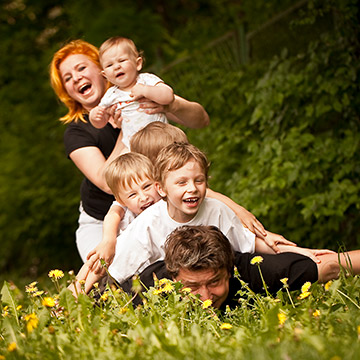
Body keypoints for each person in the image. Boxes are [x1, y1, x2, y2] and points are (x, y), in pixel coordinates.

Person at [50, 39, 210, 263]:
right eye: (68, 78)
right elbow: (107, 183)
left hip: (154, 199)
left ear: (101, 69)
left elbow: (201, 119)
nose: (76, 78)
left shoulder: (138, 92)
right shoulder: (77, 131)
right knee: (109, 275)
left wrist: (169, 106)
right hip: (104, 215)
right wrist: (126, 132)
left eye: (81, 68)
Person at [106, 142, 304, 284]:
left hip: (216, 279)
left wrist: (305, 253)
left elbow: (251, 244)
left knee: (245, 262)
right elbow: (113, 269)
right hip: (166, 285)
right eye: (182, 182)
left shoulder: (216, 210)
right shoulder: (148, 223)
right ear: (162, 189)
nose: (192, 188)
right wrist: (78, 291)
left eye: (198, 181)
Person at [121, 225, 360, 309]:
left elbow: (330, 265)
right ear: (173, 278)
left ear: (230, 270)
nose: (205, 297)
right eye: (192, 286)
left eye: (214, 282)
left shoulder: (251, 271)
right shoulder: (146, 288)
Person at [68, 152, 161, 295]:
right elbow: (112, 216)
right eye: (132, 194)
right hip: (127, 273)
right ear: (121, 200)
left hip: (154, 270)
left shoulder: (167, 205)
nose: (143, 197)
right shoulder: (126, 216)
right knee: (102, 257)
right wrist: (108, 240)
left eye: (147, 186)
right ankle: (74, 292)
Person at [89, 37, 174, 151]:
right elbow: (101, 123)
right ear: (105, 75)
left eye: (122, 60)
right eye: (109, 65)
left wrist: (146, 91)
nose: (117, 67)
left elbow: (168, 97)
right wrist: (95, 116)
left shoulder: (146, 80)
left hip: (162, 139)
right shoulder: (111, 95)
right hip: (134, 147)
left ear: (138, 63)